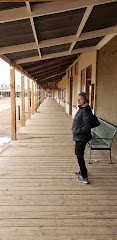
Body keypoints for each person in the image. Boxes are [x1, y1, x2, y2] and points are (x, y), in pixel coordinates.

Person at [72, 92, 92, 184]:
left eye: (81, 99)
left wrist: (76, 131)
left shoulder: (85, 110)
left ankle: (84, 176)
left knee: (79, 155)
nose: (78, 101)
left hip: (82, 137)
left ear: (85, 99)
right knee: (78, 153)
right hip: (80, 136)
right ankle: (81, 169)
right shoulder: (83, 108)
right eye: (77, 99)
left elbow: (87, 127)